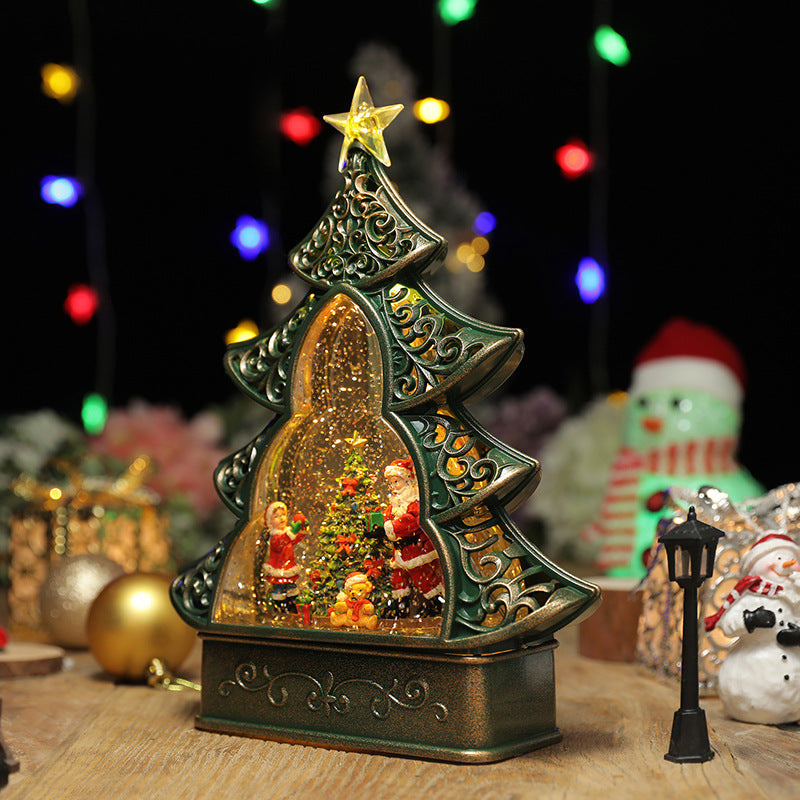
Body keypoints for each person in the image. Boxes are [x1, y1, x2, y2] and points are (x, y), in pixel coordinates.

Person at [383, 458, 444, 617]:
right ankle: (400, 605)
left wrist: (390, 527)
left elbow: (411, 521)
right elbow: (387, 517)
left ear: (408, 480)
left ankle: (436, 604)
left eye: (396, 481)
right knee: (398, 578)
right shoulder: (394, 505)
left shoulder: (415, 503)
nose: (393, 487)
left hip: (418, 550)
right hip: (400, 552)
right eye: (390, 483)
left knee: (422, 578)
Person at [261, 501, 306, 613]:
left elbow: (295, 539)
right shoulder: (274, 537)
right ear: (270, 522)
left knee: (292, 588)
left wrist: (301, 531)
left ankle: (292, 608)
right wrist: (291, 533)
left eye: (283, 515)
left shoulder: (287, 533)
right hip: (278, 570)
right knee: (279, 591)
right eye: (276, 517)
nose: (281, 518)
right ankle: (280, 609)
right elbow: (280, 543)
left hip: (289, 568)